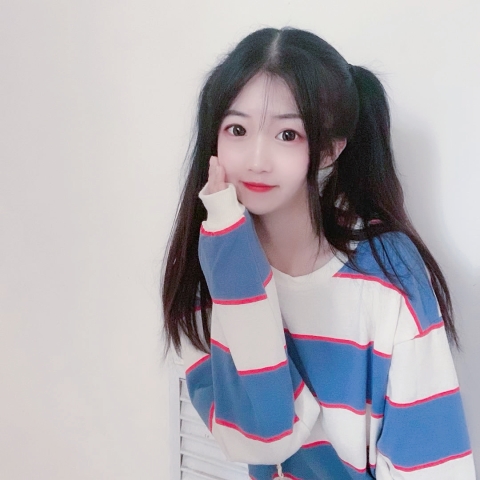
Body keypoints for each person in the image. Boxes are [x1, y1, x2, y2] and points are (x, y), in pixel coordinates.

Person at [162, 27, 475, 479]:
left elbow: (434, 464)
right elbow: (262, 435)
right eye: (237, 129)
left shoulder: (387, 274)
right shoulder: (213, 271)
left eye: (287, 134)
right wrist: (230, 258)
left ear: (329, 148)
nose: (256, 159)